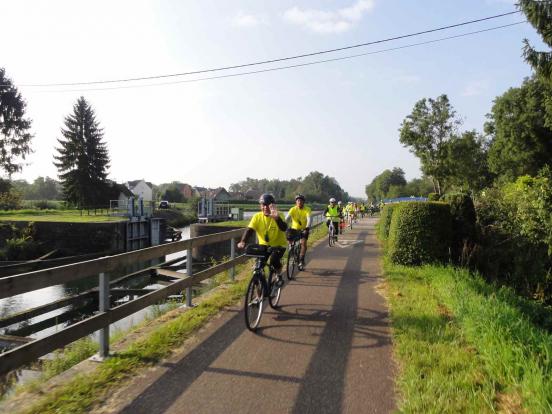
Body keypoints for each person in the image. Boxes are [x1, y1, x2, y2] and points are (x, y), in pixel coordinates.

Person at [237, 194, 288, 282]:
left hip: (279, 245)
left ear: (273, 206)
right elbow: (250, 230)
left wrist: (277, 218)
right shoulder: (257, 216)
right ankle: (259, 294)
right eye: (263, 205)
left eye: (268, 205)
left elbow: (284, 228)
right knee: (258, 267)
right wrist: (243, 241)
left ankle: (278, 274)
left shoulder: (279, 215)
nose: (265, 207)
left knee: (274, 260)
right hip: (263, 245)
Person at [285, 194, 312, 270]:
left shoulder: (307, 209)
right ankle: (292, 254)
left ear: (303, 202)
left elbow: (309, 219)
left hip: (304, 229)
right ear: (296, 202)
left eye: (301, 201)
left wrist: (307, 228)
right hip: (294, 229)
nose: (299, 202)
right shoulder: (293, 209)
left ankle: (301, 260)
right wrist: (284, 225)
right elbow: (287, 219)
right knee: (290, 240)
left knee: (303, 243)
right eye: (298, 201)